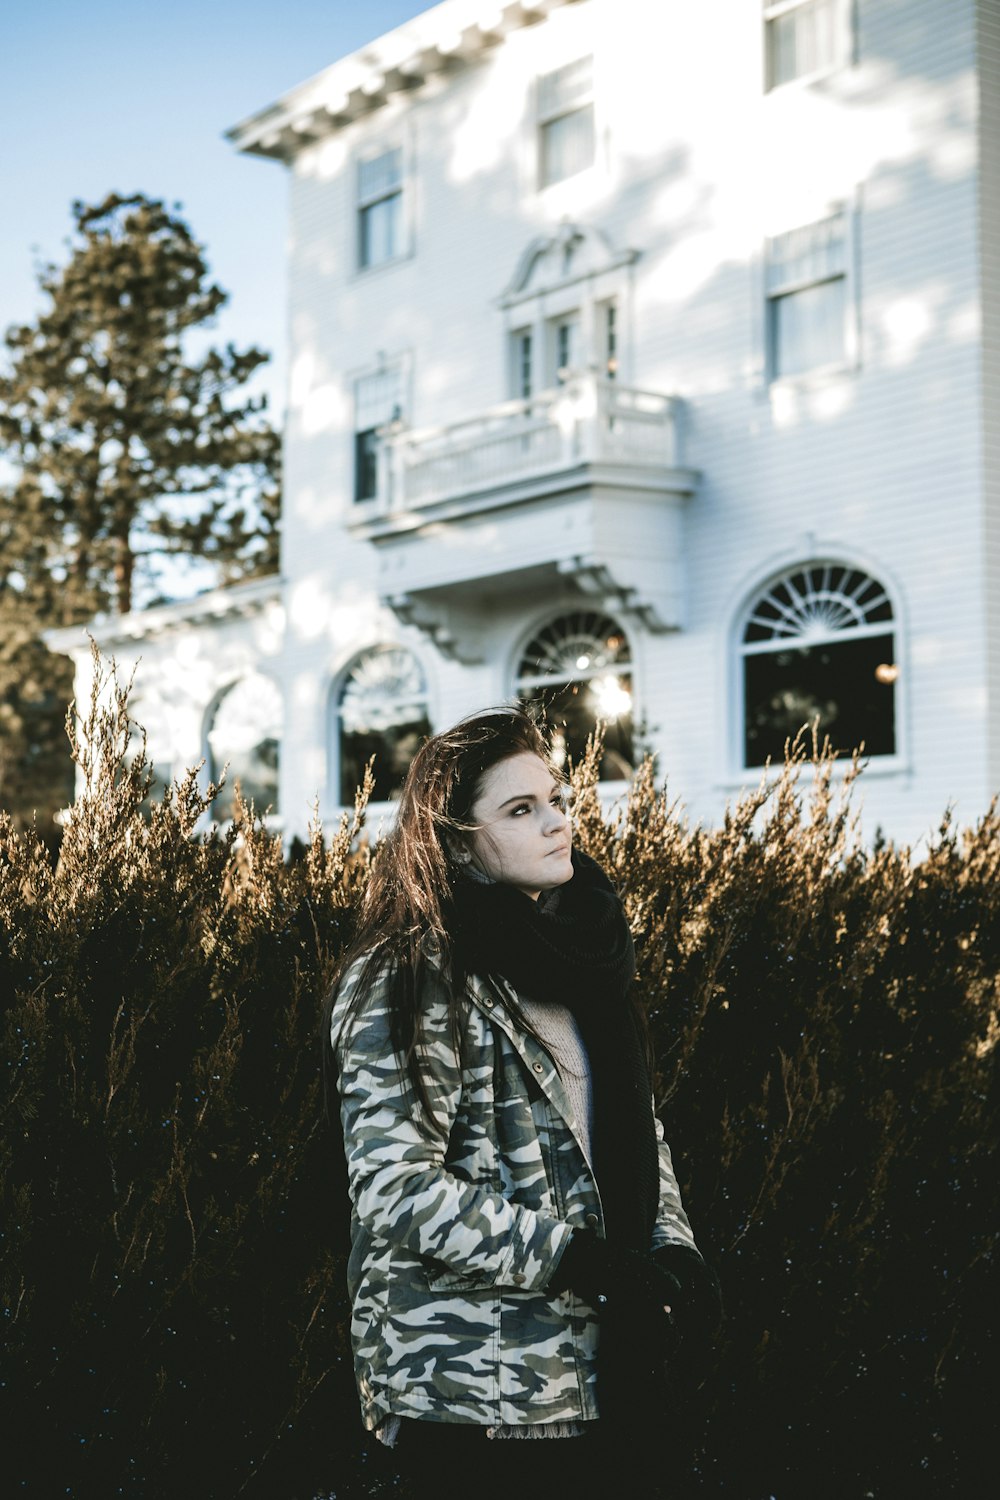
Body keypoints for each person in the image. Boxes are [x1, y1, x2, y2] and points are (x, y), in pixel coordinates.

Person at [323, 708, 721, 1498]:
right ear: (460, 843)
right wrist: (579, 1262)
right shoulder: (408, 976)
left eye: (555, 799)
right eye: (520, 810)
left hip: (607, 1372)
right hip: (476, 1389)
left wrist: (672, 1252)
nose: (557, 822)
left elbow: (635, 1124)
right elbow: (394, 1187)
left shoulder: (580, 956)